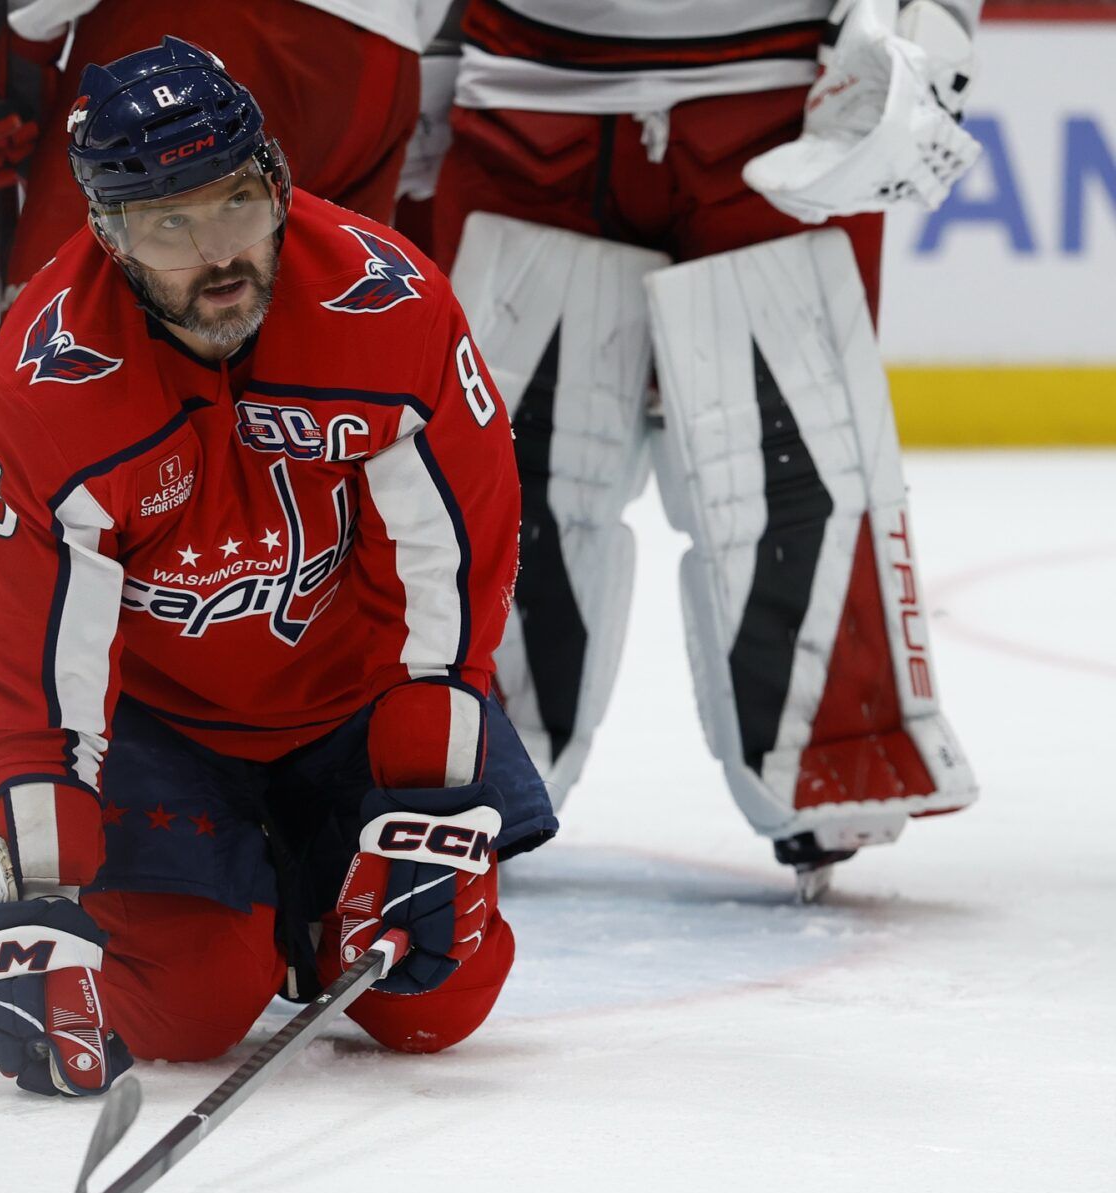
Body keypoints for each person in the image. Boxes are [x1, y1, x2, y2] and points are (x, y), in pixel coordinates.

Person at [0, 38, 556, 1098]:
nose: (215, 251)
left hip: (354, 702)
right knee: (188, 1008)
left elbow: (454, 581)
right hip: (162, 727)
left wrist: (429, 802)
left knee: (434, 998)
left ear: (277, 183)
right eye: (165, 224)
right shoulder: (45, 383)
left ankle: (307, 904)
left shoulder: (387, 303)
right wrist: (36, 909)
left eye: (232, 203)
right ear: (105, 234)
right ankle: (256, 905)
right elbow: (29, 678)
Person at [0, 0, 459, 929]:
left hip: (198, 25)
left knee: (84, 348)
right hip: (378, 55)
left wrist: (14, 43)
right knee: (321, 404)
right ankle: (386, 786)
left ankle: (75, 799)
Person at [416, 0, 983, 898]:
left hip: (777, 100)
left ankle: (831, 749)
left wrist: (929, 30)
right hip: (534, 86)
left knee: (793, 454)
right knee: (496, 472)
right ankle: (466, 755)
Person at [0, 0, 458, 294]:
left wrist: (19, 35)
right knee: (320, 374)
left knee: (64, 334)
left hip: (205, 26)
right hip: (389, 56)